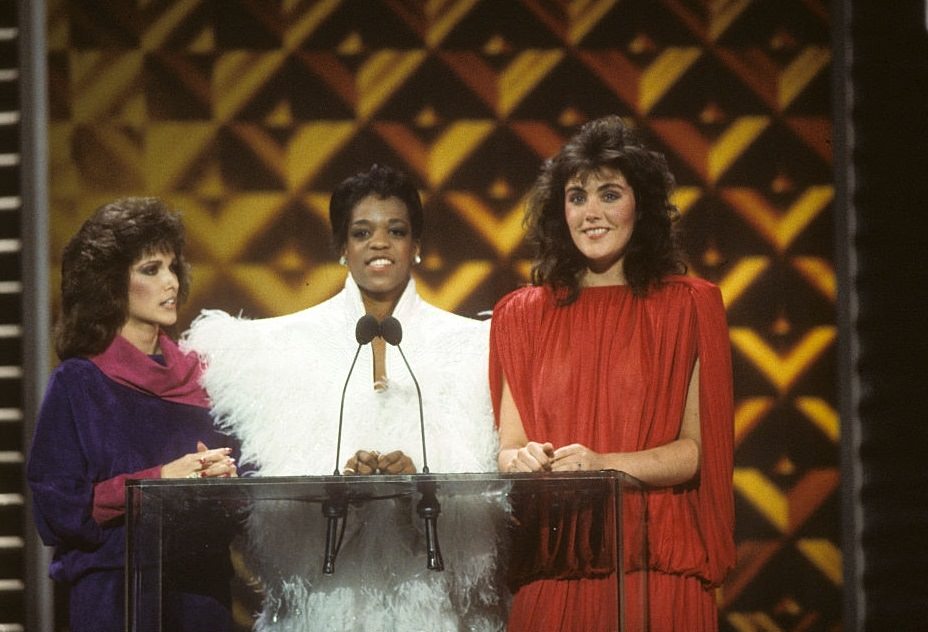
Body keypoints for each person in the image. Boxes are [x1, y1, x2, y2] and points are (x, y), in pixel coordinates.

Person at [184, 164, 505, 631]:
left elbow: (487, 519)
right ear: (342, 247)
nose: (379, 243)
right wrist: (338, 487)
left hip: (433, 607)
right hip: (326, 607)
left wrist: (417, 485)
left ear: (416, 247)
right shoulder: (284, 348)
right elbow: (271, 525)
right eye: (362, 232)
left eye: (396, 230)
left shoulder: (472, 347)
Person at [489, 116, 735, 631]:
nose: (591, 212)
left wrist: (604, 466)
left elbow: (693, 453)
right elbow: (509, 449)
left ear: (639, 205)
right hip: (556, 562)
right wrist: (524, 459)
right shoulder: (520, 315)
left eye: (609, 194)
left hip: (656, 566)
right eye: (577, 197)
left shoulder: (687, 307)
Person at [26, 198, 239, 632]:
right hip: (113, 596)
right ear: (109, 283)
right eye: (151, 269)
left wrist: (225, 479)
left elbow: (247, 496)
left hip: (202, 593)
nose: (171, 282)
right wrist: (158, 482)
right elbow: (58, 507)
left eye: (173, 267)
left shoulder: (206, 382)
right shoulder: (79, 383)